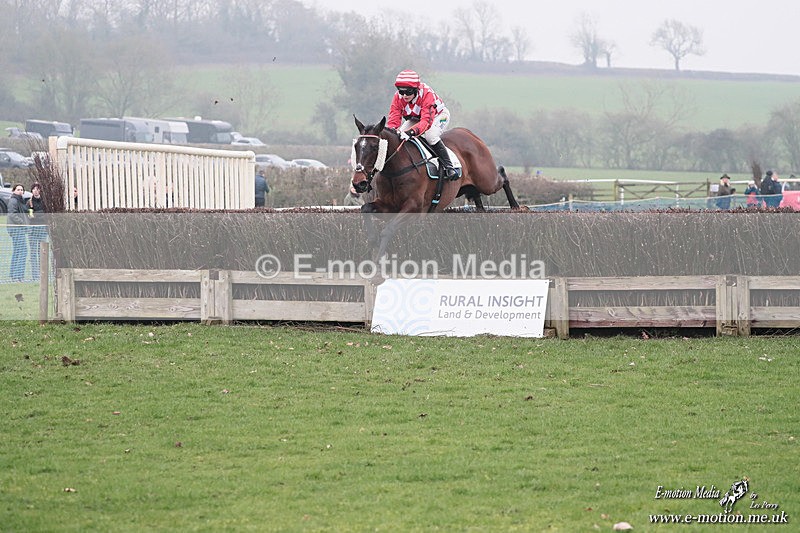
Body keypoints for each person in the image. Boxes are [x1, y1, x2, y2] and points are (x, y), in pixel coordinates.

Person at [387, 69, 458, 180]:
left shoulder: (427, 94)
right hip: (417, 118)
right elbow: (393, 118)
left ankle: (449, 166)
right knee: (398, 136)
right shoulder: (398, 97)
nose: (404, 95)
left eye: (408, 92)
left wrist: (411, 132)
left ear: (416, 89)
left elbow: (426, 122)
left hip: (438, 116)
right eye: (401, 91)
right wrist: (392, 131)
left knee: (431, 136)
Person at [6, 183, 29, 282]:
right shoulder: (13, 200)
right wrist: (22, 222)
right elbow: (12, 214)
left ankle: (13, 275)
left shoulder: (20, 200)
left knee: (17, 251)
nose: (20, 191)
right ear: (13, 191)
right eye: (18, 189)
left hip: (18, 229)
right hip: (16, 228)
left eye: (21, 189)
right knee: (23, 251)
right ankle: (19, 276)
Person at [26, 182, 47, 280]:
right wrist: (39, 214)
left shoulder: (45, 202)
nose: (36, 191)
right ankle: (35, 276)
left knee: (42, 252)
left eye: (37, 189)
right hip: (33, 231)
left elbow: (46, 214)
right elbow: (30, 216)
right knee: (33, 253)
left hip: (43, 230)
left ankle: (43, 274)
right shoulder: (29, 202)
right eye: (34, 189)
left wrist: (37, 214)